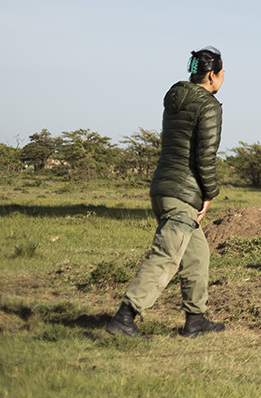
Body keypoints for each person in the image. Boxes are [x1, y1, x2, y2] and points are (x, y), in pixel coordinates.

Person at [106, 46, 227, 338]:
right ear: (212, 75)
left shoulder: (174, 99)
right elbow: (205, 157)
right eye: (222, 74)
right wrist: (210, 193)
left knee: (197, 254)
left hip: (162, 189)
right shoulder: (208, 105)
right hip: (184, 194)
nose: (222, 80)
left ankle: (195, 319)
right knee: (166, 256)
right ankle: (124, 317)